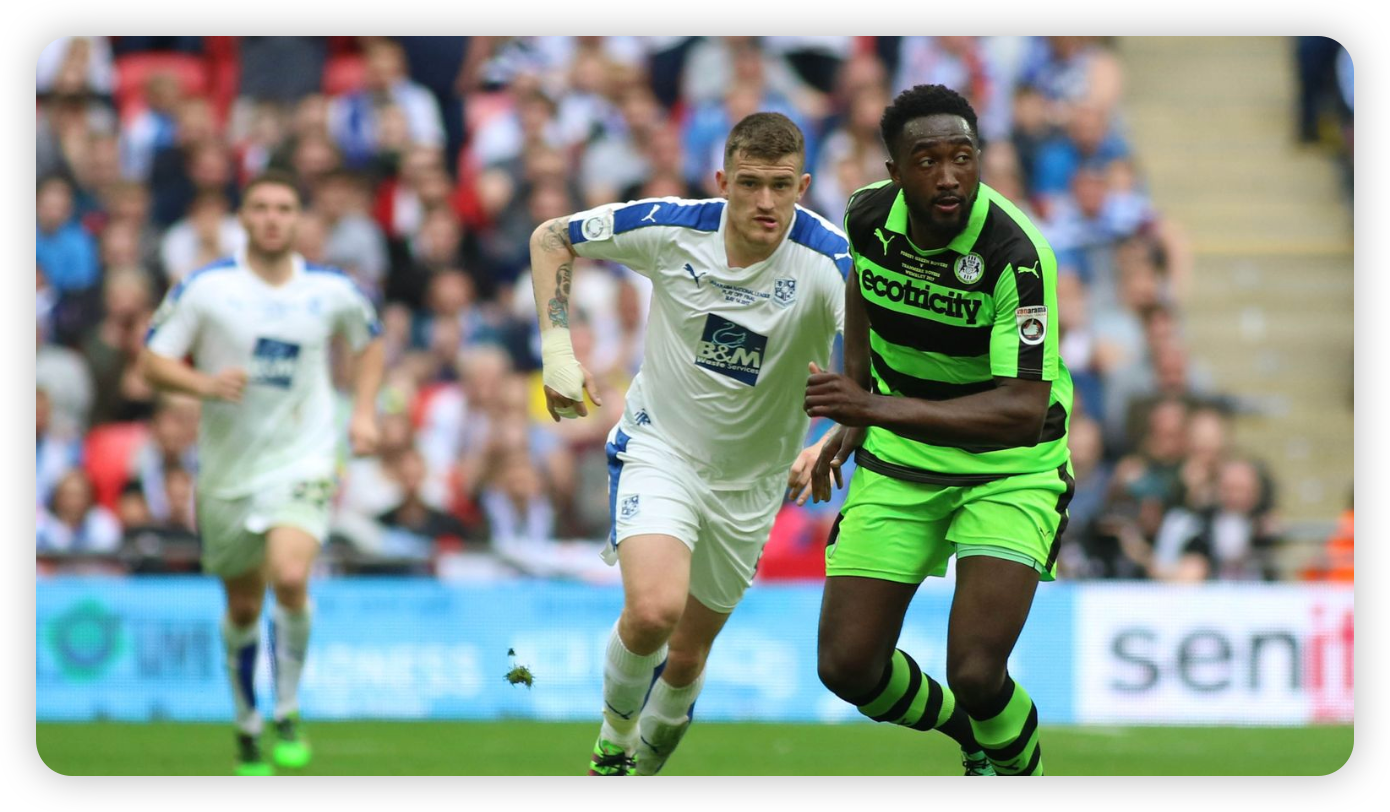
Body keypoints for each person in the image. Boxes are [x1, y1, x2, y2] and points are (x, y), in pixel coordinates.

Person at [530, 112, 849, 775]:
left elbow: (884, 368)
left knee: (687, 657)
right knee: (652, 612)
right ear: (723, 180)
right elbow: (551, 238)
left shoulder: (831, 264)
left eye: (782, 186)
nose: (766, 202)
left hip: (753, 484)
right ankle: (612, 745)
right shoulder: (672, 228)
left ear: (804, 185)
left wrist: (834, 440)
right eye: (752, 183)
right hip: (660, 450)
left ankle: (642, 764)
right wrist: (556, 347)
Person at [805, 85, 1073, 777]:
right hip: (902, 460)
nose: (949, 175)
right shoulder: (867, 216)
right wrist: (859, 392)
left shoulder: (1016, 252)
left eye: (963, 156)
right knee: (846, 666)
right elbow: (862, 290)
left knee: (978, 672)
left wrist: (871, 411)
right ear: (894, 172)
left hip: (1011, 466)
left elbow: (1018, 410)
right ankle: (971, 738)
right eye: (927, 160)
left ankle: (1014, 767)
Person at [141, 171, 383, 776]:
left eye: (284, 208)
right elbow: (151, 359)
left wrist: (364, 412)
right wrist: (203, 384)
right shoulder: (205, 289)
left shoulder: (331, 290)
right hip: (227, 470)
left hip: (304, 455)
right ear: (242, 219)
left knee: (293, 574)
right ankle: (247, 723)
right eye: (261, 208)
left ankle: (288, 707)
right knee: (244, 607)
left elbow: (369, 341)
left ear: (299, 219)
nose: (273, 218)